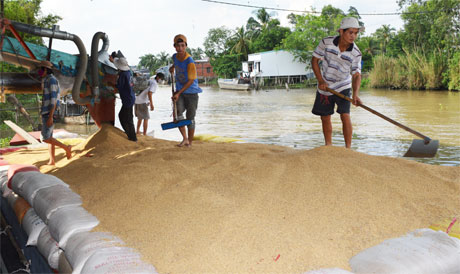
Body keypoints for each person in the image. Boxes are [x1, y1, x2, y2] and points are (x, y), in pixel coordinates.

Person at [311, 17, 364, 148]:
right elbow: (314, 61)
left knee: (345, 115)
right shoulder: (326, 42)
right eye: (350, 32)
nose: (353, 36)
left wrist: (355, 95)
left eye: (356, 33)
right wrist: (320, 80)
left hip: (343, 85)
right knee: (325, 116)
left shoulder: (356, 53)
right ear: (341, 31)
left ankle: (348, 148)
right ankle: (328, 146)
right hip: (325, 85)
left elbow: (356, 75)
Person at [169, 34, 202, 147]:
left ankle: (190, 142)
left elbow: (191, 81)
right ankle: (185, 138)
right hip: (180, 91)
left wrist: (178, 93)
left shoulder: (190, 61)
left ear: (186, 46)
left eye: (182, 46)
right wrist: (172, 67)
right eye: (178, 46)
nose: (180, 48)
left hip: (191, 92)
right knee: (177, 114)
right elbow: (176, 63)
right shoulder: (174, 56)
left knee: (190, 118)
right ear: (174, 46)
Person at [39, 60, 72, 165]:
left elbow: (53, 99)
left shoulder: (52, 80)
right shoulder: (47, 80)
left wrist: (50, 116)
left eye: (40, 69)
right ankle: (52, 160)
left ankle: (66, 148)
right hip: (48, 112)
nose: (38, 72)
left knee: (45, 138)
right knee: (50, 137)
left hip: (50, 112)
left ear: (45, 70)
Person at [111, 55, 137, 142]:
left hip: (127, 99)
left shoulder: (122, 74)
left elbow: (119, 86)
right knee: (126, 117)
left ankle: (132, 137)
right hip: (130, 97)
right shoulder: (128, 72)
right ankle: (131, 135)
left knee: (126, 118)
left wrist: (111, 84)